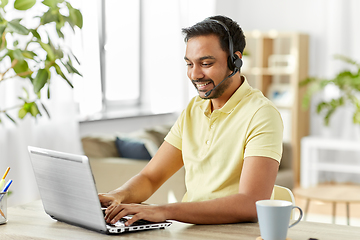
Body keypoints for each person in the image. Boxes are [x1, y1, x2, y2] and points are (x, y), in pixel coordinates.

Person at [99, 15, 283, 226]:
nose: (195, 74)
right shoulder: (193, 109)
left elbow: (251, 204)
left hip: (233, 233)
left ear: (235, 60)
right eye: (189, 64)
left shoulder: (261, 114)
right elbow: (151, 177)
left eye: (205, 63)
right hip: (191, 230)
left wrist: (164, 211)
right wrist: (116, 195)